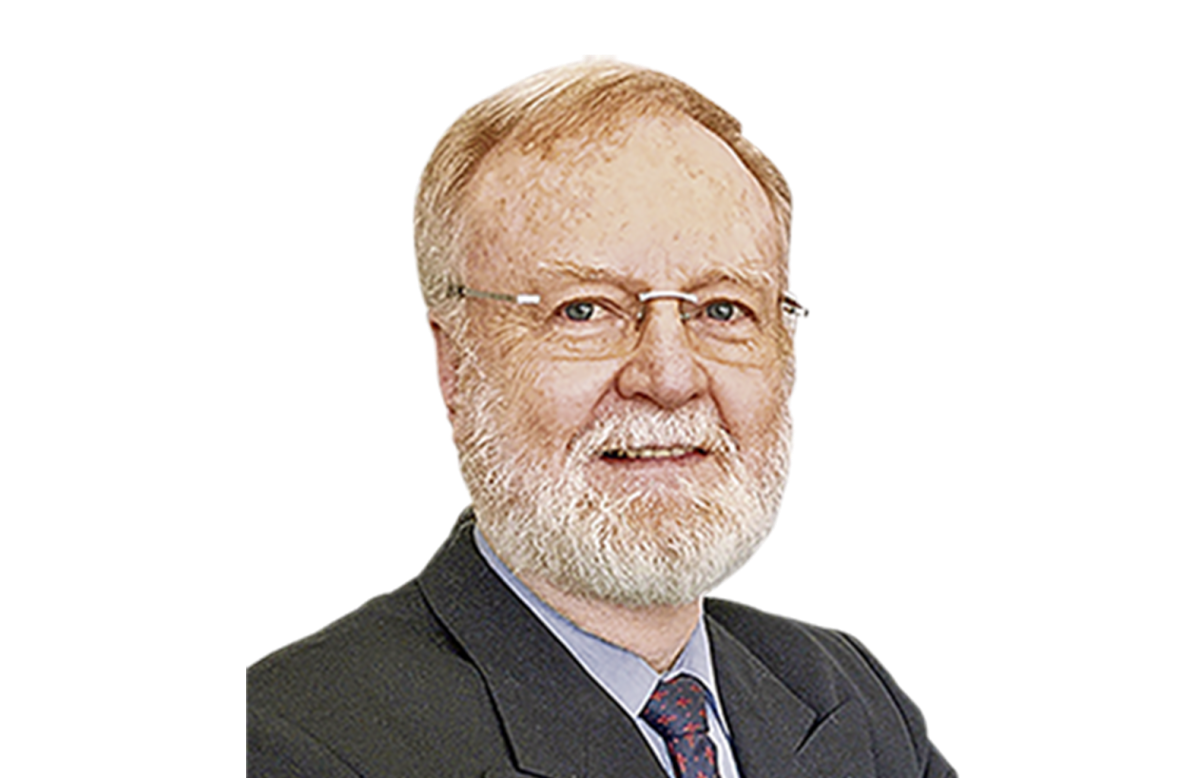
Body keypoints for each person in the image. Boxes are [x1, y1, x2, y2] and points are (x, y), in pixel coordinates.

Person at [246, 54, 954, 777]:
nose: (670, 378)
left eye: (722, 309)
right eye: (584, 310)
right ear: (453, 364)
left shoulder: (849, 696)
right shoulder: (291, 747)